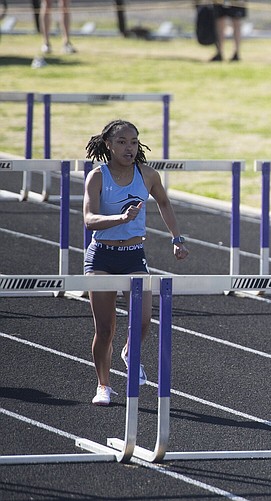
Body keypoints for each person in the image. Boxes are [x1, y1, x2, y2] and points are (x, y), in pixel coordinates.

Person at [83, 120, 189, 406]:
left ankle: (130, 352)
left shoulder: (148, 175)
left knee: (142, 322)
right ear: (108, 144)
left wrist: (176, 238)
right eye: (122, 142)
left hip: (132, 255)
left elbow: (165, 203)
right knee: (105, 328)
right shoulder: (97, 177)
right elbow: (89, 220)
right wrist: (120, 219)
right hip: (102, 255)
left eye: (133, 142)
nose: (129, 148)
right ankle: (103, 385)